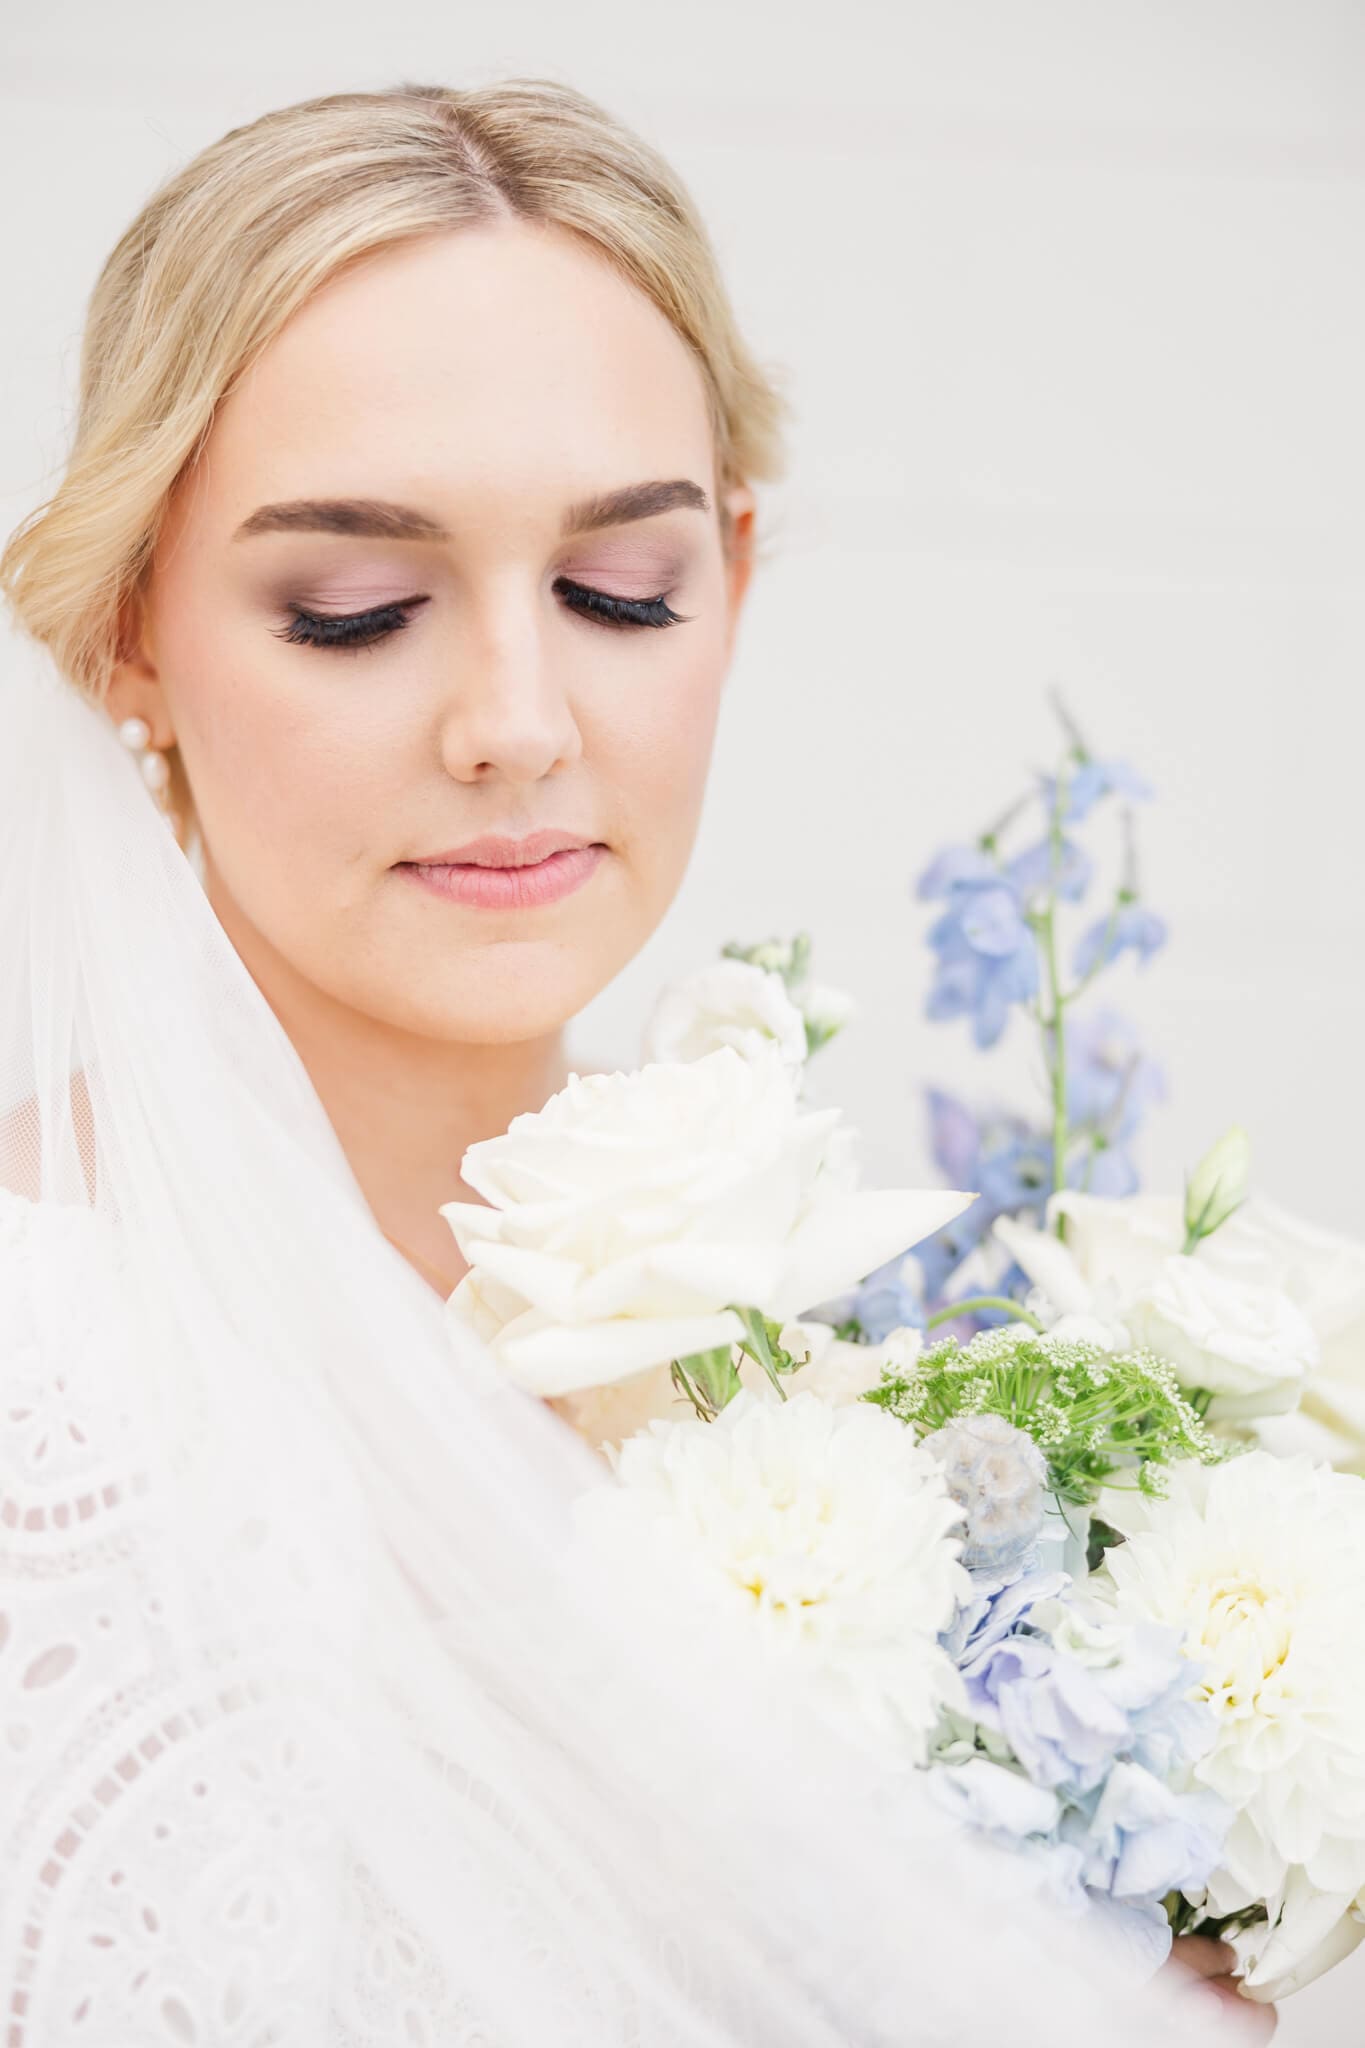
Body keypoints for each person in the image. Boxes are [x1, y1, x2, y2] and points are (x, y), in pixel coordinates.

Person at [0, 78, 1269, 2043]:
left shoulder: (843, 1365)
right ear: (129, 640)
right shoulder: (47, 1399)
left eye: (619, 590)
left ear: (733, 581)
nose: (516, 719)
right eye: (353, 608)